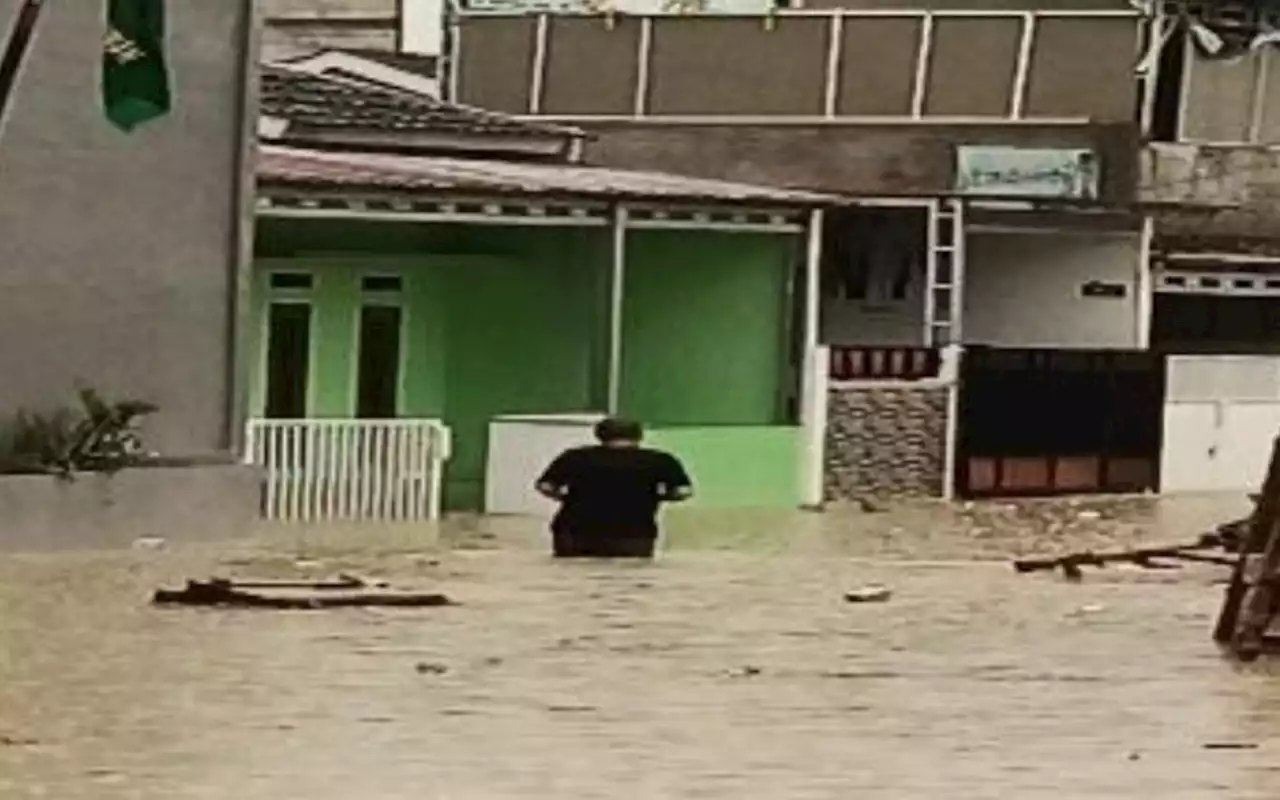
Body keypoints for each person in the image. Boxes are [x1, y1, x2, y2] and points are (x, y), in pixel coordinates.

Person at [534, 417, 693, 559]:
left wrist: (564, 498)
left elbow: (545, 486)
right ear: (639, 435)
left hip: (574, 531)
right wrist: (659, 497)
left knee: (573, 578)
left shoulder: (574, 456)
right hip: (633, 534)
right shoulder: (660, 460)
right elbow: (683, 491)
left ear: (598, 435)